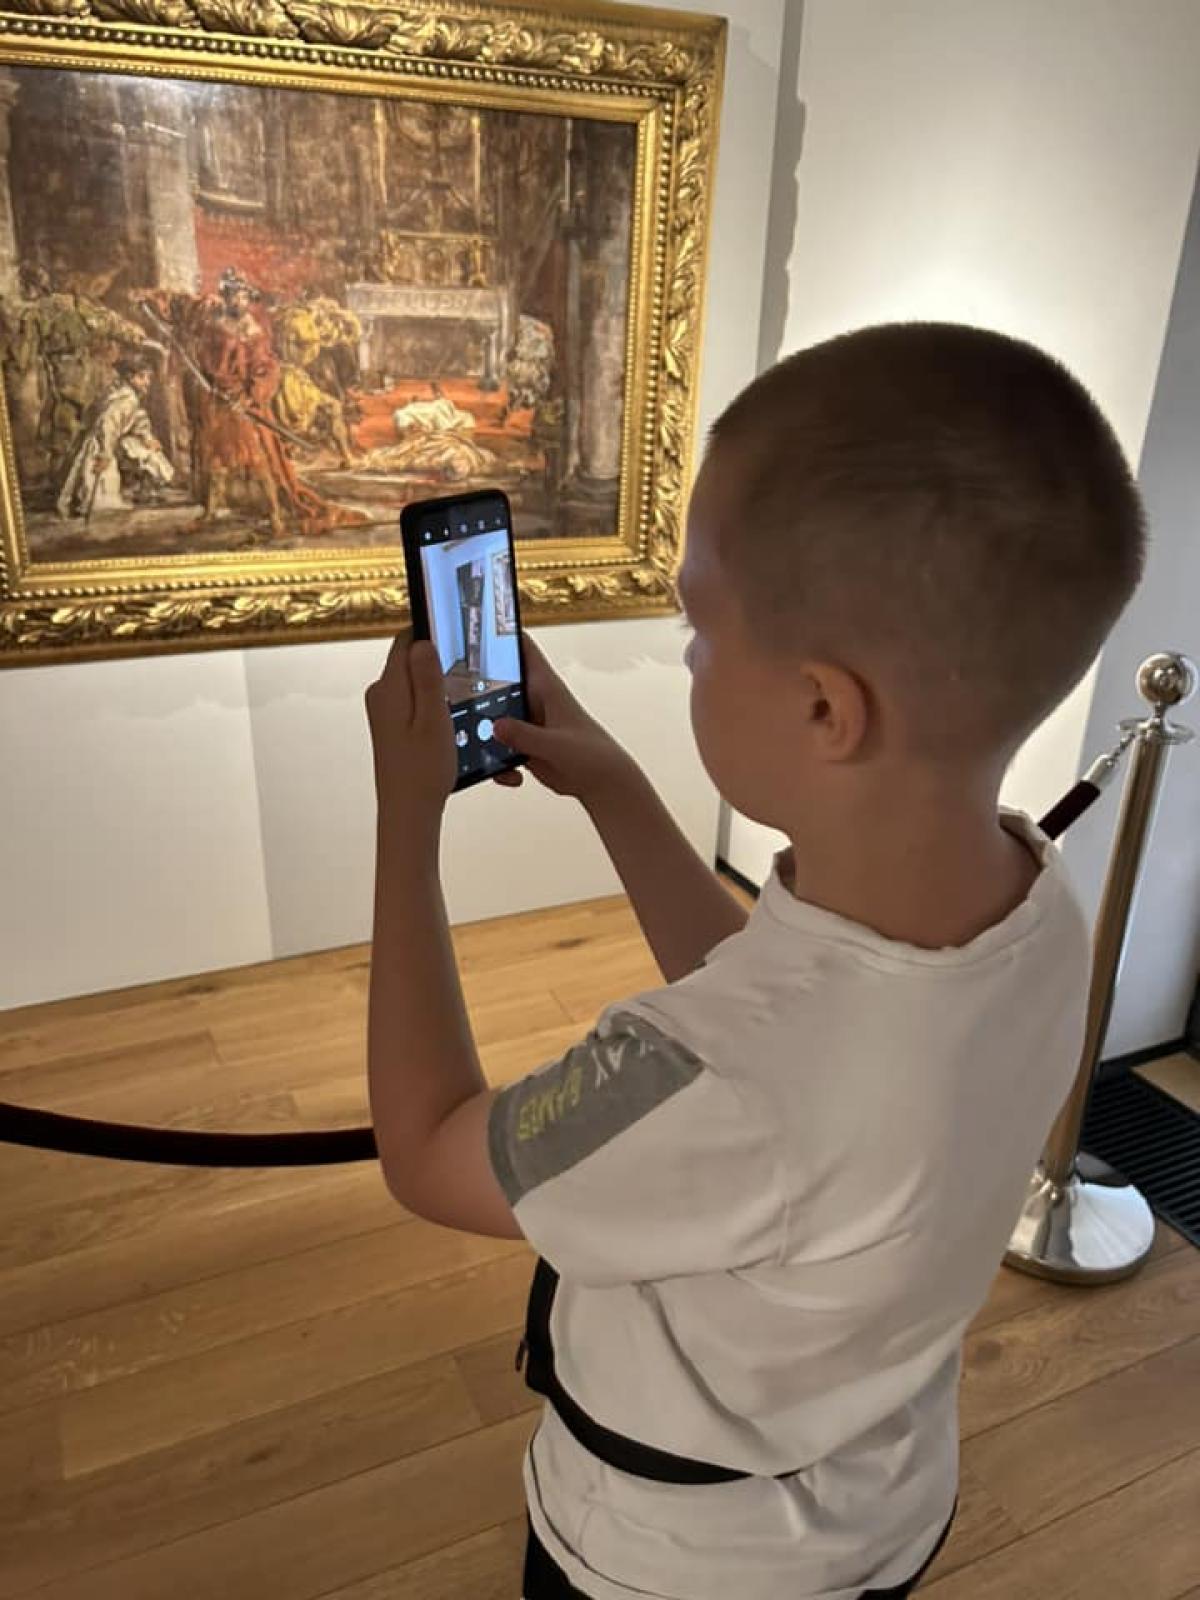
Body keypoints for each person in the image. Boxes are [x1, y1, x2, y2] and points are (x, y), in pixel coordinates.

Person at [363, 322, 1146, 1600]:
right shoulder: (1035, 905)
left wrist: (405, 827)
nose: (688, 654)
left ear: (826, 706)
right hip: (878, 1499)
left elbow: (429, 1148)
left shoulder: (712, 1076)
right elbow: (785, 1004)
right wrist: (618, 789)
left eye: (698, 625)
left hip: (664, 1563)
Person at [135, 268, 362, 538]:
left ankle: (276, 517)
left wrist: (248, 397)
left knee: (257, 461)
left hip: (240, 403)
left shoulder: (252, 331)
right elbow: (179, 304)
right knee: (215, 460)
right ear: (225, 295)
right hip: (214, 400)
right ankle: (210, 512)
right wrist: (149, 300)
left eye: (242, 296)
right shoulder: (209, 313)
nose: (238, 301)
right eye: (233, 295)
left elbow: (267, 369)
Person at [55, 351, 173, 519]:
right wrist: (105, 453)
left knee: (148, 453)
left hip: (117, 441)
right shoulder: (124, 399)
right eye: (142, 377)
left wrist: (147, 438)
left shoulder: (132, 398)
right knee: (98, 487)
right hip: (102, 442)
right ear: (130, 378)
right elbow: (107, 426)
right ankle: (84, 503)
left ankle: (143, 490)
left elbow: (138, 420)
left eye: (148, 378)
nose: (147, 382)